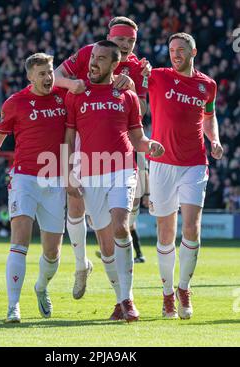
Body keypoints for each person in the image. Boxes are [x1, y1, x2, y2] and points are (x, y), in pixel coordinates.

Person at [0, 53, 67, 323]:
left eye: (50, 71)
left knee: (52, 252)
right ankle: (13, 307)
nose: (48, 77)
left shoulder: (63, 98)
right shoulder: (15, 103)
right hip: (24, 178)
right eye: (41, 73)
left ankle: (41, 287)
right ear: (30, 76)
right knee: (19, 241)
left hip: (56, 181)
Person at [64, 40, 164, 321]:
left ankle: (128, 302)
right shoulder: (77, 95)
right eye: (92, 57)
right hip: (90, 173)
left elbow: (137, 137)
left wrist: (150, 145)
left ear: (114, 64)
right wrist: (67, 172)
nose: (93, 63)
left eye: (100, 59)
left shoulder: (127, 96)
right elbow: (69, 138)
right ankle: (120, 300)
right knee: (106, 246)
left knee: (121, 226)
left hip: (122, 168)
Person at [55, 16, 150, 299]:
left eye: (131, 41)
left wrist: (132, 85)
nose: (127, 45)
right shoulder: (90, 52)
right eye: (121, 39)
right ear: (110, 37)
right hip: (82, 126)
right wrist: (73, 85)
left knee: (119, 221)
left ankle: (124, 294)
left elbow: (140, 111)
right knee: (75, 203)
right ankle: (81, 264)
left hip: (118, 142)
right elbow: (57, 76)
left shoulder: (136, 66)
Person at [146, 33, 223, 319]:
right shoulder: (157, 76)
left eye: (181, 50)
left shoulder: (207, 85)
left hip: (194, 162)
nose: (175, 54)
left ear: (193, 52)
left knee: (191, 228)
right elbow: (128, 75)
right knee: (165, 233)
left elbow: (208, 116)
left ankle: (183, 289)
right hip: (161, 163)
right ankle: (167, 294)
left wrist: (213, 139)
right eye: (171, 50)